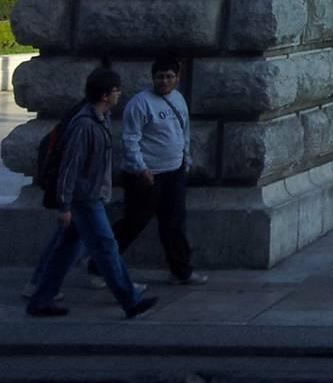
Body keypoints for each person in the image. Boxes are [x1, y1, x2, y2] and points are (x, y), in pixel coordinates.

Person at [25, 69, 159, 319]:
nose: (119, 94)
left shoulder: (100, 118)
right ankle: (131, 301)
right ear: (106, 95)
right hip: (84, 199)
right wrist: (64, 206)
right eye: (116, 90)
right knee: (107, 247)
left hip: (89, 196)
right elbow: (70, 168)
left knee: (65, 250)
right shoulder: (85, 125)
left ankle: (40, 300)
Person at [111, 57, 205, 285]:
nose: (164, 81)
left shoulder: (178, 99)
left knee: (175, 223)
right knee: (134, 222)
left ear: (177, 78)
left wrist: (186, 160)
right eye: (160, 77)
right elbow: (131, 139)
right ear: (153, 78)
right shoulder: (140, 103)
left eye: (169, 77)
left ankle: (181, 271)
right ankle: (98, 264)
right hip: (147, 175)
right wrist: (140, 168)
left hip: (175, 171)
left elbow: (184, 131)